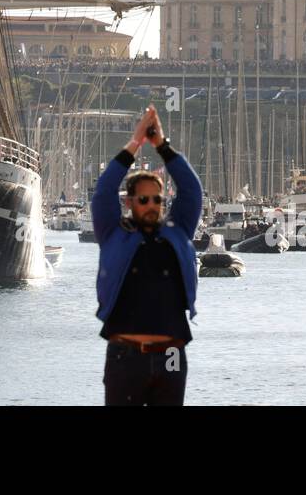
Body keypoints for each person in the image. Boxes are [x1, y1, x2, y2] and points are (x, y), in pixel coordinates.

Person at [92, 106, 202, 406]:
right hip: (126, 355)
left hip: (170, 355)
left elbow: (192, 190)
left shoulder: (177, 232)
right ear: (130, 202)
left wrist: (162, 146)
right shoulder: (114, 235)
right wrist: (135, 144)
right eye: (143, 199)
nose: (152, 204)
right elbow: (102, 193)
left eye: (157, 198)